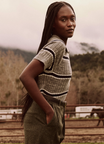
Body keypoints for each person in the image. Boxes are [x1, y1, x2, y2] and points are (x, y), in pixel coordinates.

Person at [19, 1, 76, 144]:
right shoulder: (57, 45)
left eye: (72, 18)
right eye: (63, 20)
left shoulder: (59, 46)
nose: (70, 24)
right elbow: (26, 76)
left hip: (54, 108)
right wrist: (49, 111)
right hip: (44, 112)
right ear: (53, 24)